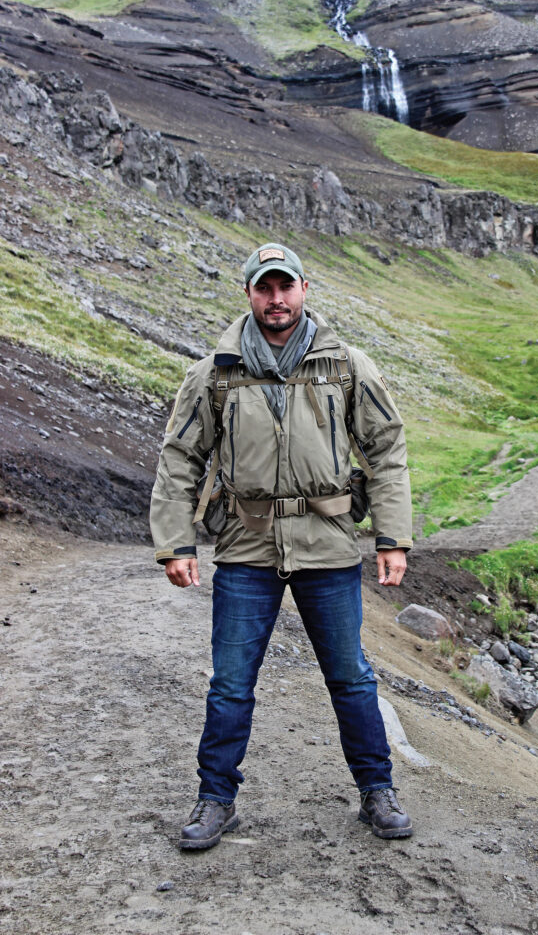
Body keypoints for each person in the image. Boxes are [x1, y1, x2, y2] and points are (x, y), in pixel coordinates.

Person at [150, 242, 413, 850]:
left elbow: (386, 451)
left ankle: (378, 792)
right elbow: (180, 459)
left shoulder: (346, 365)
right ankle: (216, 801)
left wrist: (392, 538)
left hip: (329, 545)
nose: (276, 299)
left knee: (350, 677)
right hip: (246, 548)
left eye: (285, 286)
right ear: (248, 293)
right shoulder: (213, 373)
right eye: (264, 288)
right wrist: (175, 544)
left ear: (303, 288)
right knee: (231, 683)